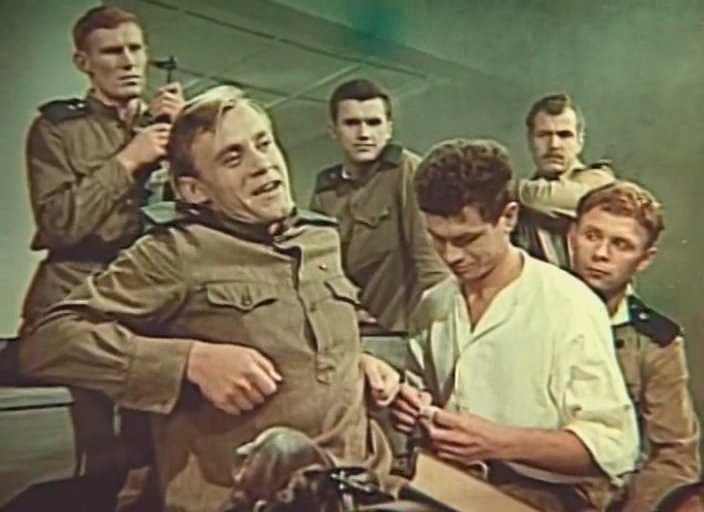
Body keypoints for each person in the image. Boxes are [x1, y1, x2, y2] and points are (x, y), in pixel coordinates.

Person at [19, 85, 399, 512]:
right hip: (247, 500)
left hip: (363, 489)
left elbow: (303, 329)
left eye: (263, 143)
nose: (262, 164)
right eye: (233, 158)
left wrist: (356, 360)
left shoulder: (320, 237)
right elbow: (48, 341)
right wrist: (190, 361)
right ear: (194, 190)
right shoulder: (176, 253)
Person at [390, 138, 639, 511]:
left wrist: (498, 442)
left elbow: (613, 447)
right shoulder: (434, 305)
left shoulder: (568, 305)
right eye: (437, 239)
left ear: (508, 217)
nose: (451, 256)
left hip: (548, 495)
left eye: (467, 239)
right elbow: (421, 401)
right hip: (446, 482)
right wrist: (410, 408)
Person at [21, 5, 185, 331]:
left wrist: (190, 134)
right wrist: (128, 161)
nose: (128, 62)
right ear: (84, 63)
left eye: (135, 49)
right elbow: (57, 224)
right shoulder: (58, 128)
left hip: (153, 292)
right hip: (75, 290)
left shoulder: (172, 126)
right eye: (112, 52)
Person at [570, 181, 702, 512]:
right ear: (572, 236)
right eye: (592, 236)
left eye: (621, 245)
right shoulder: (532, 306)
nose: (601, 254)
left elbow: (675, 453)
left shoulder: (656, 341)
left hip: (620, 495)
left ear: (645, 258)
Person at [310, 78, 448, 333]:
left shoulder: (405, 170)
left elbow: (430, 256)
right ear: (334, 130)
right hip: (349, 329)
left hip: (402, 331)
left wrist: (444, 323)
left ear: (389, 129)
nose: (364, 134)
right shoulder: (326, 191)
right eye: (352, 123)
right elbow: (319, 268)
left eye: (373, 123)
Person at [512, 93, 615, 268]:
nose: (554, 145)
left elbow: (543, 197)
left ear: (580, 141)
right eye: (543, 135)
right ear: (530, 140)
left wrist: (500, 187)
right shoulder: (519, 200)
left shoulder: (599, 182)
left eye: (564, 135)